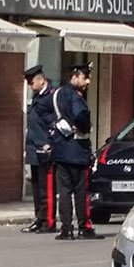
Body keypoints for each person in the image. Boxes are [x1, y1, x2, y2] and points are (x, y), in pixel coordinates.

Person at [50, 63, 102, 240]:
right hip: (77, 150)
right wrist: (85, 127)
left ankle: (66, 228)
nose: (88, 81)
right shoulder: (76, 97)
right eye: (85, 77)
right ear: (75, 77)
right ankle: (84, 227)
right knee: (81, 191)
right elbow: (81, 116)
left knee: (64, 192)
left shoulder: (58, 94)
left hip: (61, 149)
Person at [21, 64, 58, 233]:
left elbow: (54, 123)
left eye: (31, 82)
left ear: (41, 80)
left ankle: (48, 221)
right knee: (36, 187)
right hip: (33, 147)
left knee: (46, 187)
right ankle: (39, 218)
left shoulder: (51, 97)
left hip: (45, 149)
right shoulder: (37, 97)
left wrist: (49, 142)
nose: (29, 86)